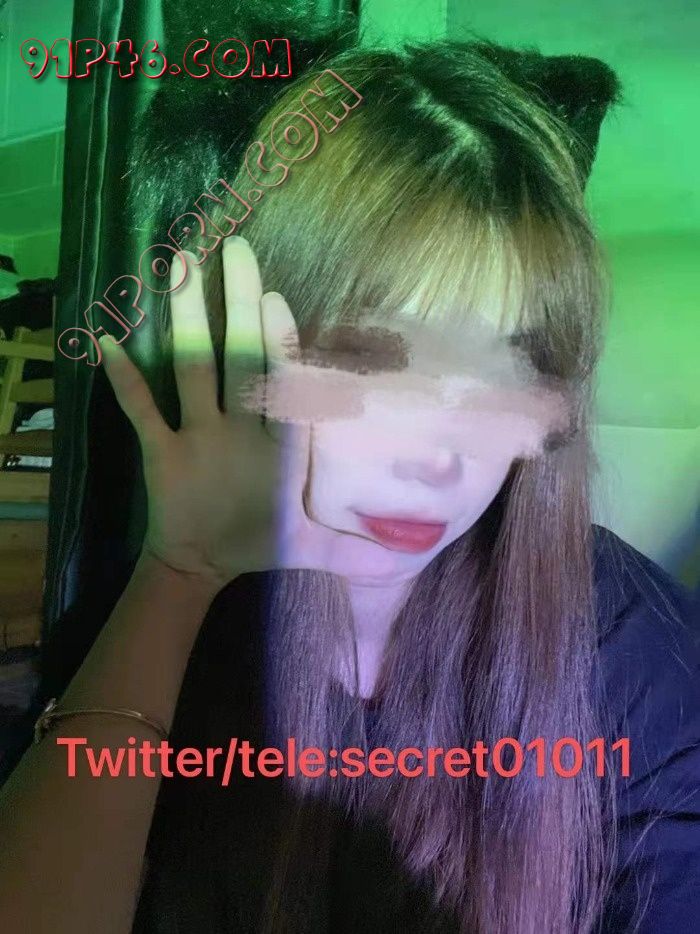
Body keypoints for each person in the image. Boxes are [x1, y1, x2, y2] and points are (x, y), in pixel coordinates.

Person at [0, 28, 698, 934]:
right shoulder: (158, 616)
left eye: (508, 374)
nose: (439, 461)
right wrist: (176, 578)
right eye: (367, 361)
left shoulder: (629, 645)